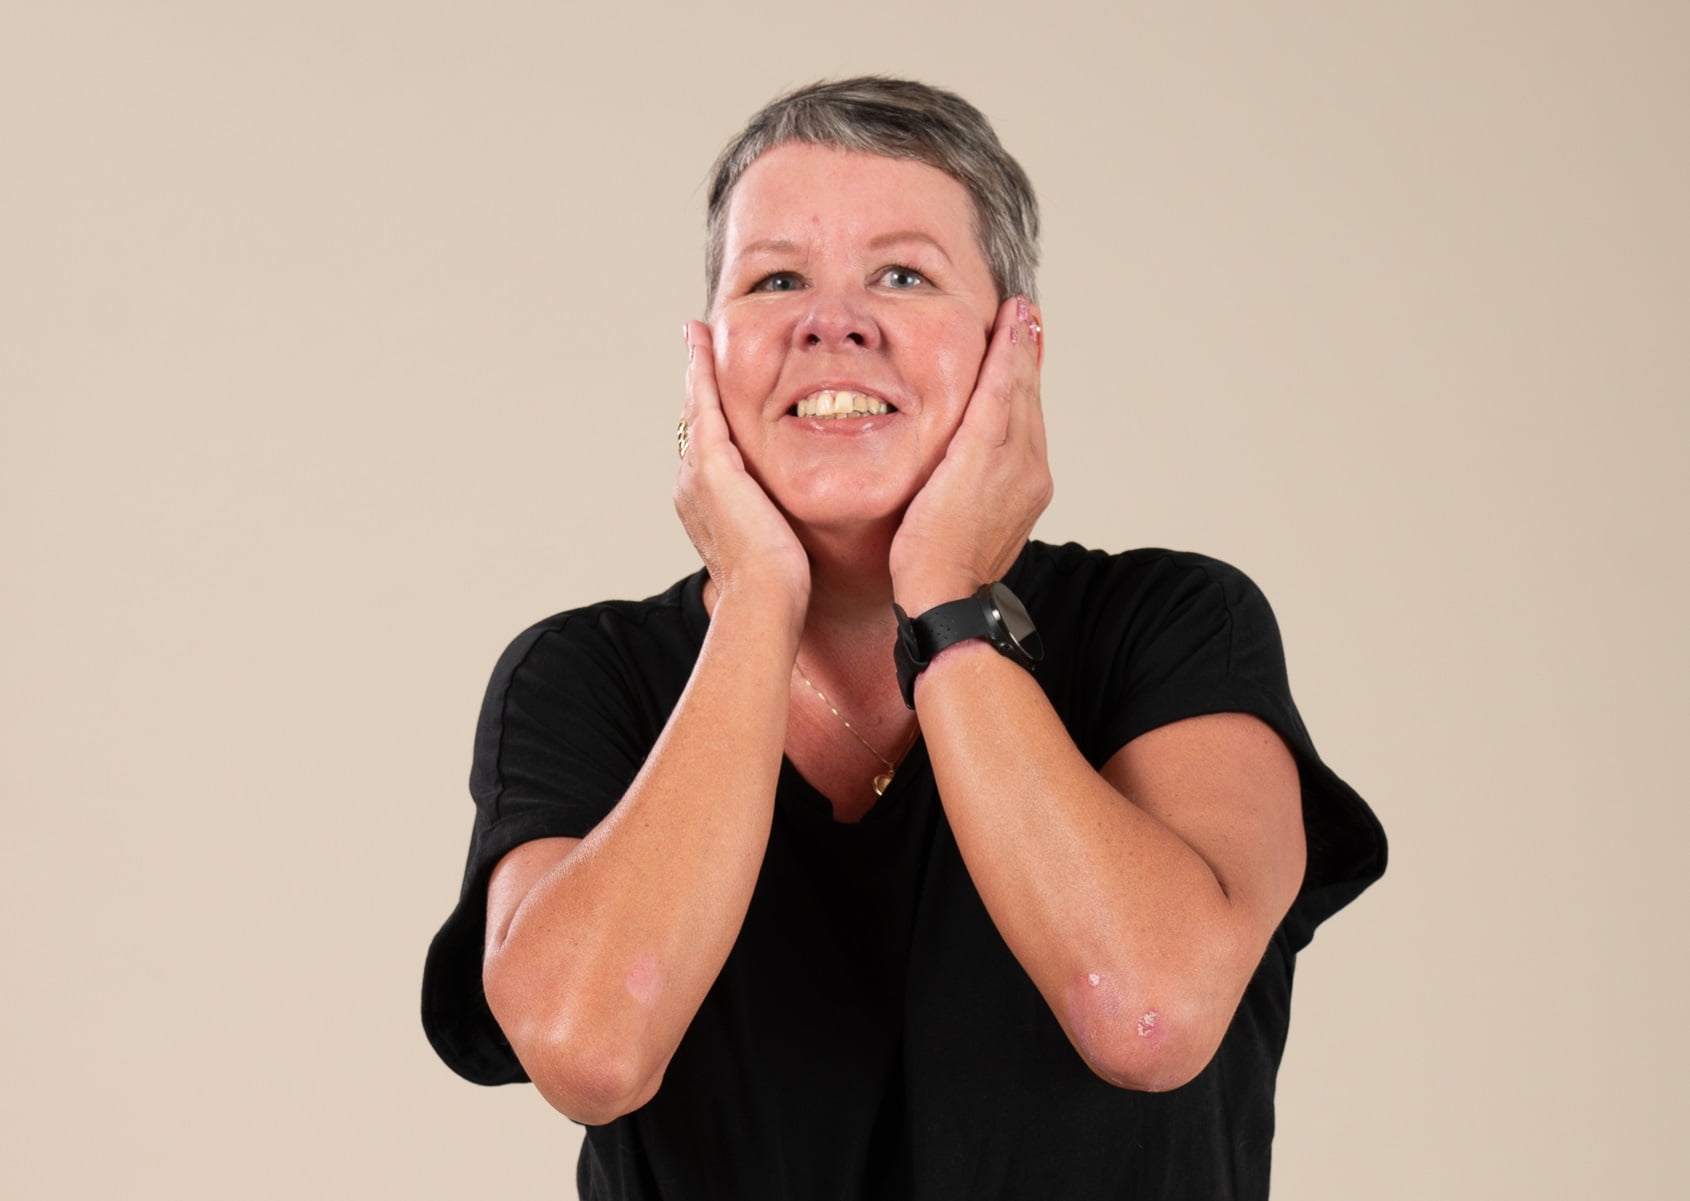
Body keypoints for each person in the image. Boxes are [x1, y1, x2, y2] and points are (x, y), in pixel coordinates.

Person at [423, 76, 1386, 1200]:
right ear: (708, 358)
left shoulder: (1173, 628)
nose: (831, 321)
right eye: (776, 279)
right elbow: (590, 1050)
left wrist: (945, 598)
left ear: (1011, 349)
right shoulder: (586, 678)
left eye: (902, 275)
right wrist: (756, 598)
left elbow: (1147, 1014)